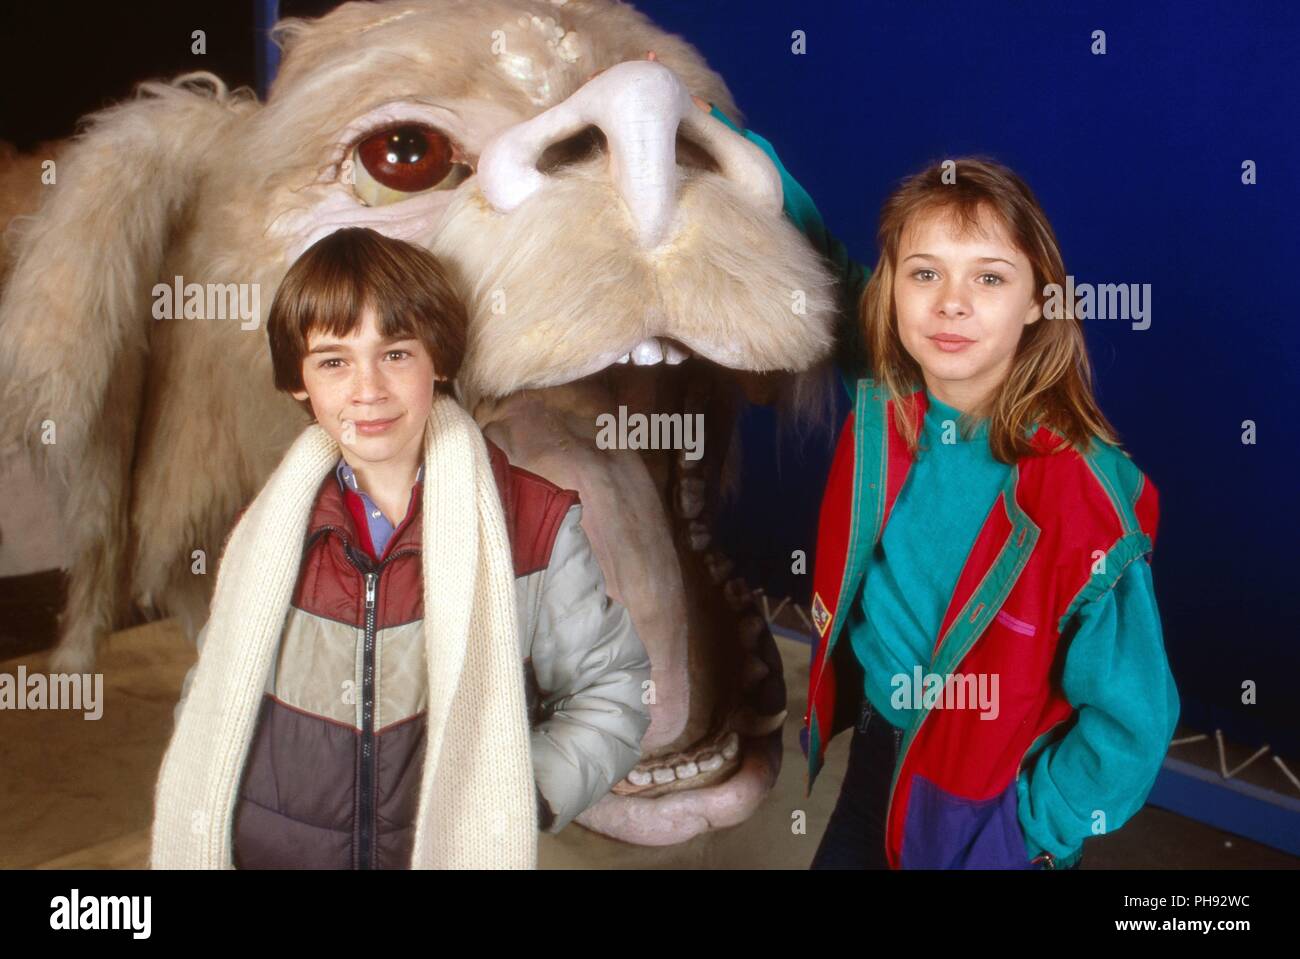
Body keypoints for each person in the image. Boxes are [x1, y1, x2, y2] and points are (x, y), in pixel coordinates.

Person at [705, 104, 1178, 869]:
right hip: (879, 749)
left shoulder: (1086, 500)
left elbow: (1134, 723)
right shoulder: (890, 389)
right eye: (925, 273)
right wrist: (727, 138)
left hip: (982, 794)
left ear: (1038, 302)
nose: (950, 302)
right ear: (893, 289)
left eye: (988, 277)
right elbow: (815, 252)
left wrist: (1031, 827)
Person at [151, 226, 651, 869]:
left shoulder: (533, 521)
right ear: (297, 383)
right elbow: (212, 687)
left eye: (395, 354)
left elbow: (615, 689)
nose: (368, 390)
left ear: (438, 360)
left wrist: (515, 798)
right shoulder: (266, 528)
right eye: (333, 361)